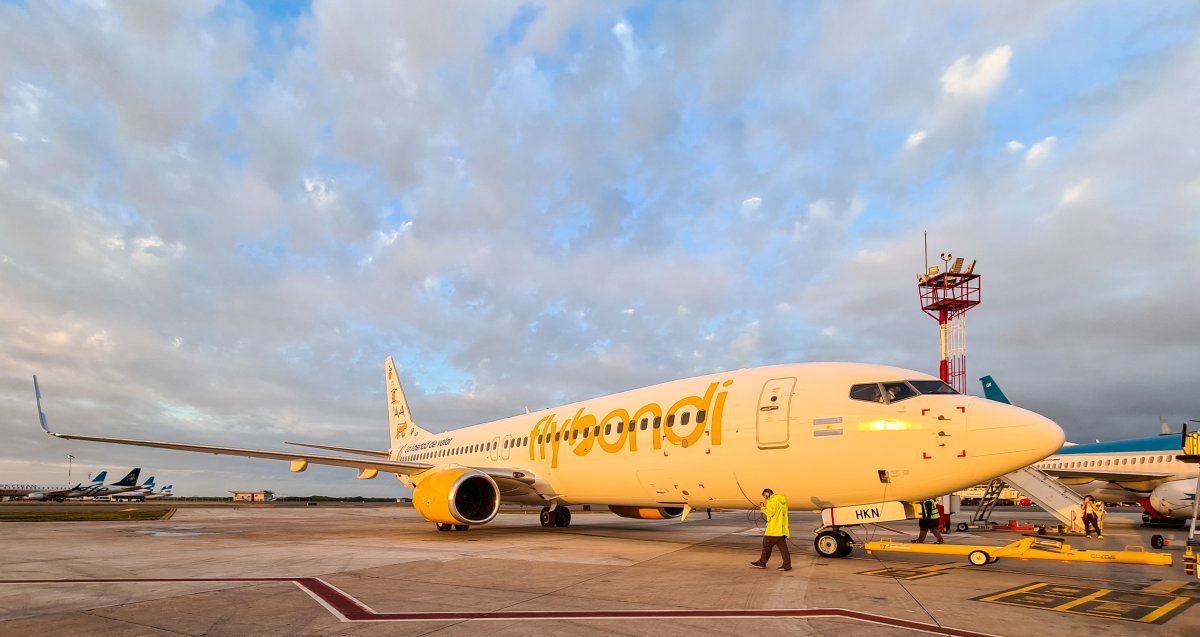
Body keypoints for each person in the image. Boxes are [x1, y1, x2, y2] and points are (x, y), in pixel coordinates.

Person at [750, 488, 791, 571]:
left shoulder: (773, 501)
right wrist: (766, 506)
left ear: (767, 494)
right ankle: (787, 565)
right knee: (783, 549)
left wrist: (762, 508)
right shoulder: (780, 500)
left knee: (766, 546)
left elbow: (770, 512)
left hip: (773, 530)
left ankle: (762, 563)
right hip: (780, 529)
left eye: (764, 496)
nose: (765, 498)